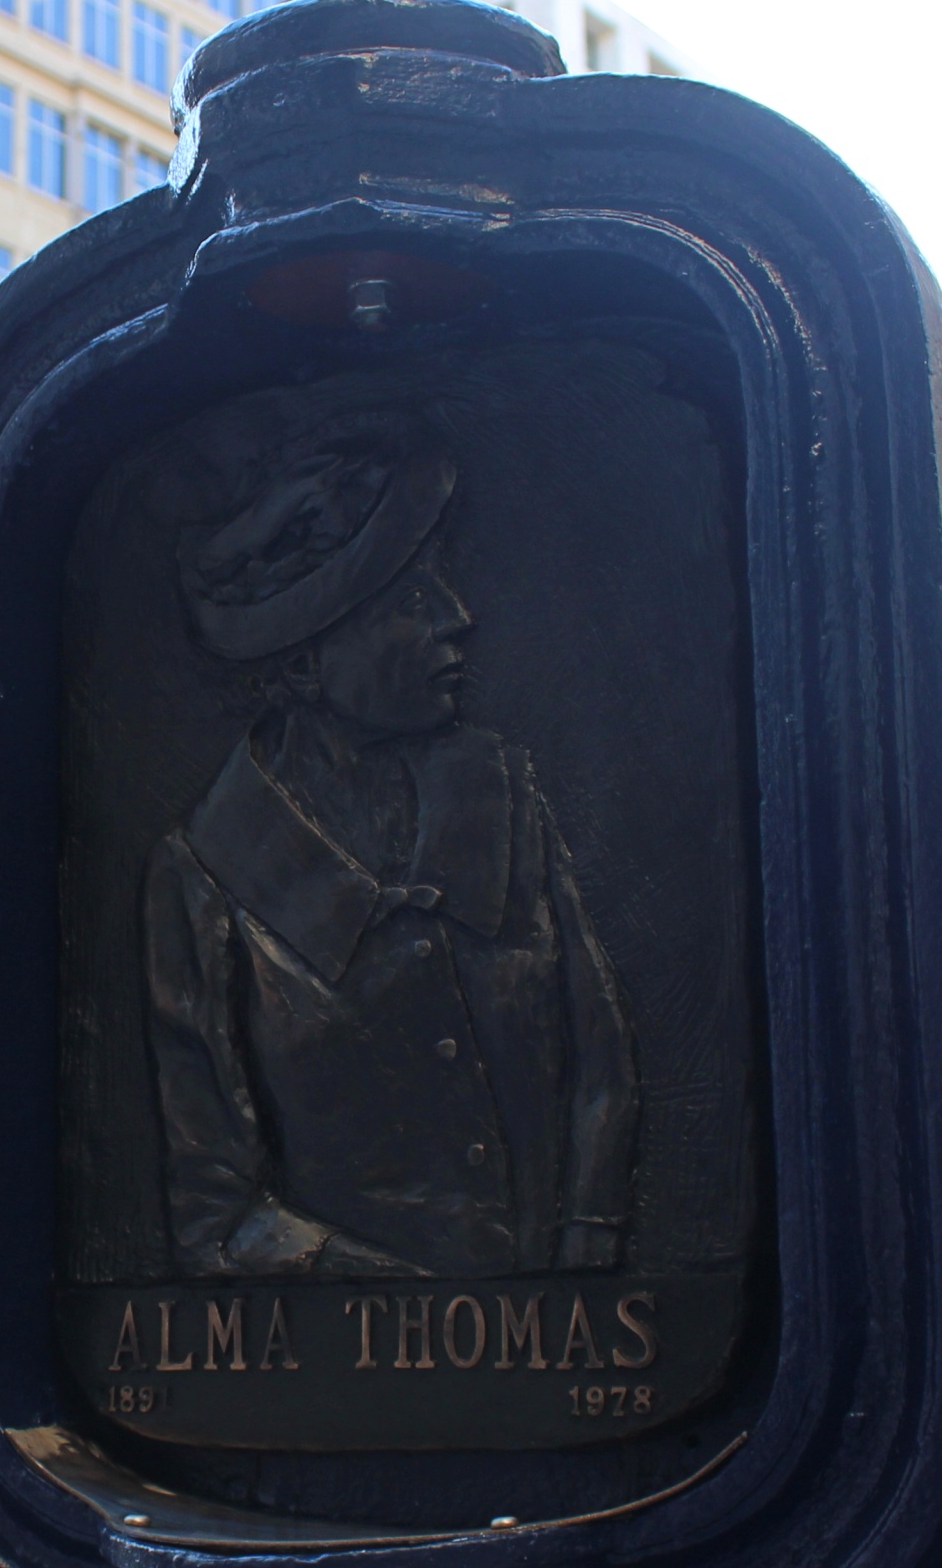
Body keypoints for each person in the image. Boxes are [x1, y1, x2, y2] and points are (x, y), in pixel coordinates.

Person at [142, 419, 637, 1281]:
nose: (457, 618)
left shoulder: (502, 793)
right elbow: (215, 1218)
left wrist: (584, 1254)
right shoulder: (205, 881)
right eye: (412, 600)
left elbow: (601, 1059)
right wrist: (419, 1312)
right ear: (305, 661)